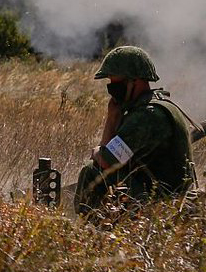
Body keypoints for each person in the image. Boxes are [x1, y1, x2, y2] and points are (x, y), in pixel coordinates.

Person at [73, 45, 197, 215]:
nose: (112, 88)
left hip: (164, 201)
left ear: (135, 81)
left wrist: (99, 150)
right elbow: (112, 157)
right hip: (165, 194)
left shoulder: (147, 116)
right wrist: (113, 117)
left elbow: (106, 161)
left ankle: (92, 231)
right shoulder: (152, 106)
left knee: (91, 171)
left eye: (116, 82)